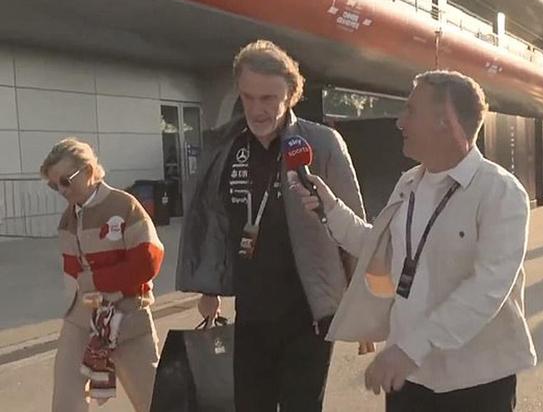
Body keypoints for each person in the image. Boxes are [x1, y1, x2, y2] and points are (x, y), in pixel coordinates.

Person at [292, 70, 536, 411]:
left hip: (476, 383)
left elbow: (488, 287)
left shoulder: (500, 191)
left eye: (410, 111)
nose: (399, 122)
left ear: (444, 121)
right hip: (409, 379)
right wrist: (330, 208)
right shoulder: (409, 183)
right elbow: (377, 246)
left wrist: (409, 350)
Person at [175, 40, 366, 412]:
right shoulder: (225, 145)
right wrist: (208, 286)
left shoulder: (322, 143)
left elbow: (354, 226)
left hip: (309, 311)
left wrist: (362, 306)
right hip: (251, 311)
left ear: (291, 95)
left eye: (268, 98)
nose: (257, 109)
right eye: (248, 97)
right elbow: (213, 219)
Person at [41, 138, 163, 412]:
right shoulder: (67, 220)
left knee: (152, 401)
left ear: (87, 171)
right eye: (54, 185)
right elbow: (72, 273)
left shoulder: (125, 206)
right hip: (81, 318)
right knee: (65, 401)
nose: (61, 190)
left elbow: (148, 262)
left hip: (128, 315)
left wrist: (97, 281)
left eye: (65, 181)